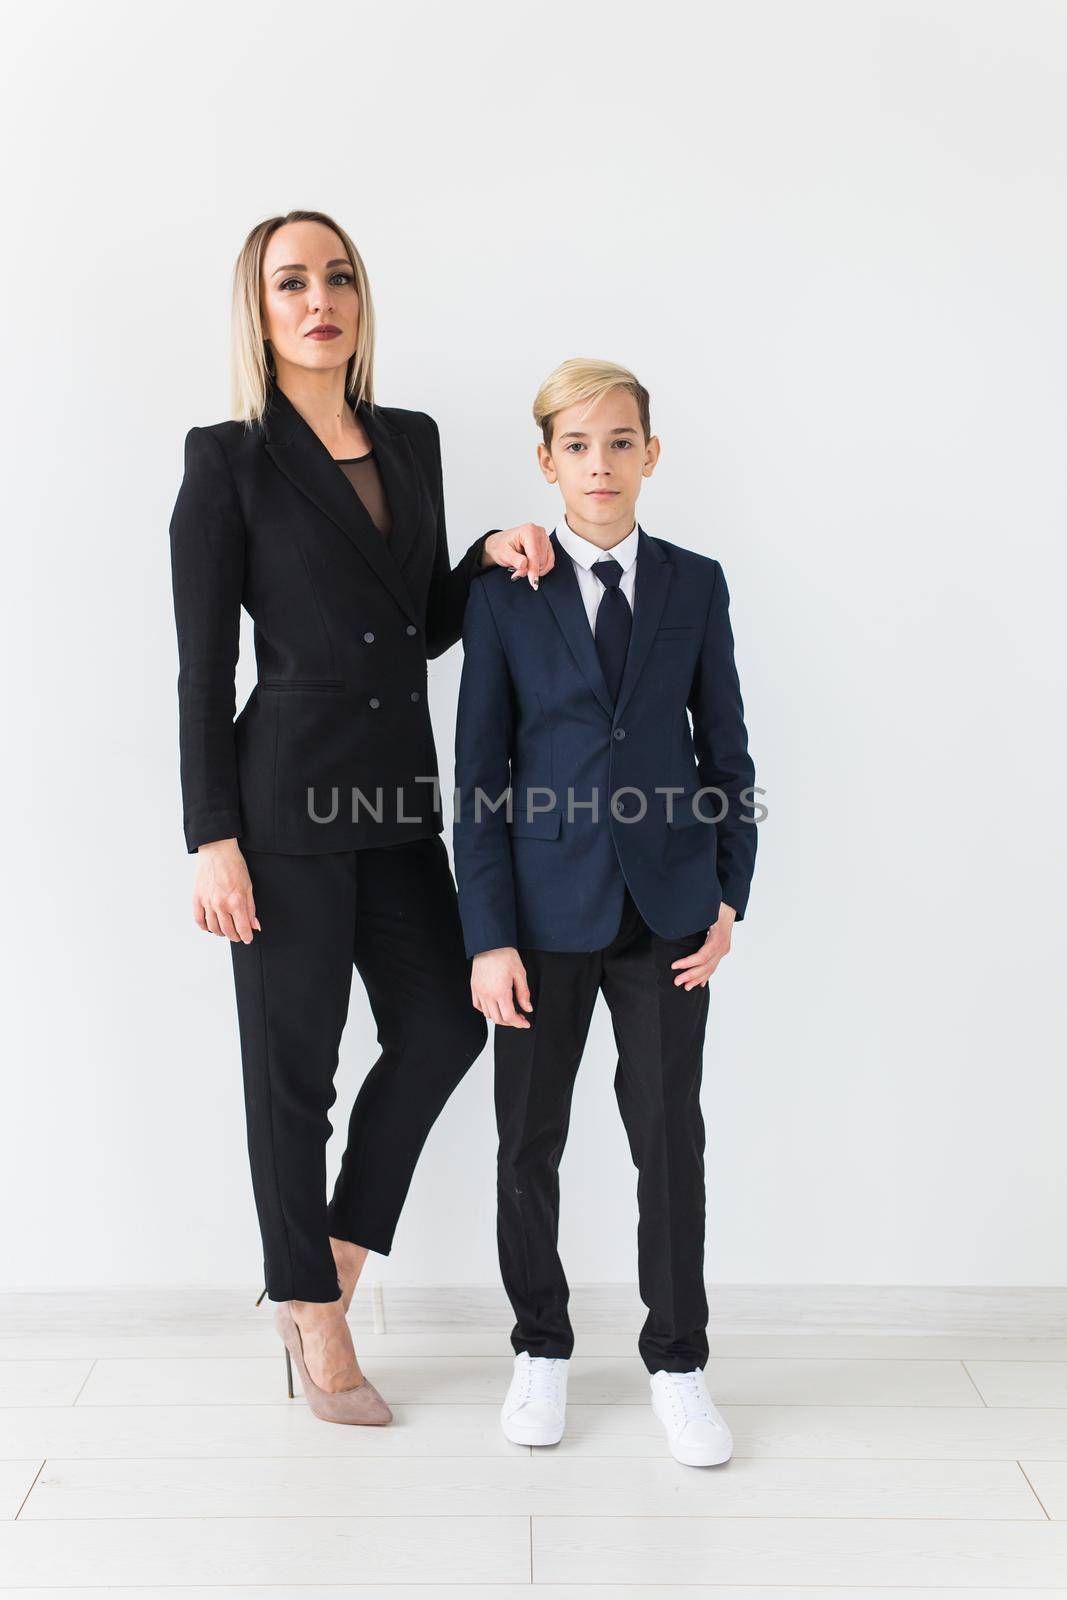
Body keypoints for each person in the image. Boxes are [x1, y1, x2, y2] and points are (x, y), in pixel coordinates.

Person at [168, 209, 553, 1425]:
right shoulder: (225, 458)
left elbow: (411, 621)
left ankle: (324, 1260)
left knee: (445, 1021)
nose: (317, 297)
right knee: (292, 1077)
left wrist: (484, 556)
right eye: (291, 281)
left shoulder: (411, 440)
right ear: (260, 308)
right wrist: (209, 834)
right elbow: (200, 667)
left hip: (394, 799)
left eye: (336, 277)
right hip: (279, 804)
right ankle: (314, 1317)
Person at [452, 358, 758, 1466]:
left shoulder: (693, 583)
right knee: (528, 1141)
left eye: (618, 441)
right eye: (576, 446)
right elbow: (476, 771)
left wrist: (728, 891)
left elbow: (725, 751)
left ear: (649, 454)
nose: (598, 464)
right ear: (546, 462)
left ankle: (678, 1361)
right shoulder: (502, 593)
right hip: (537, 918)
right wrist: (485, 933)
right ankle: (539, 1344)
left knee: (668, 1141)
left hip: (669, 913)